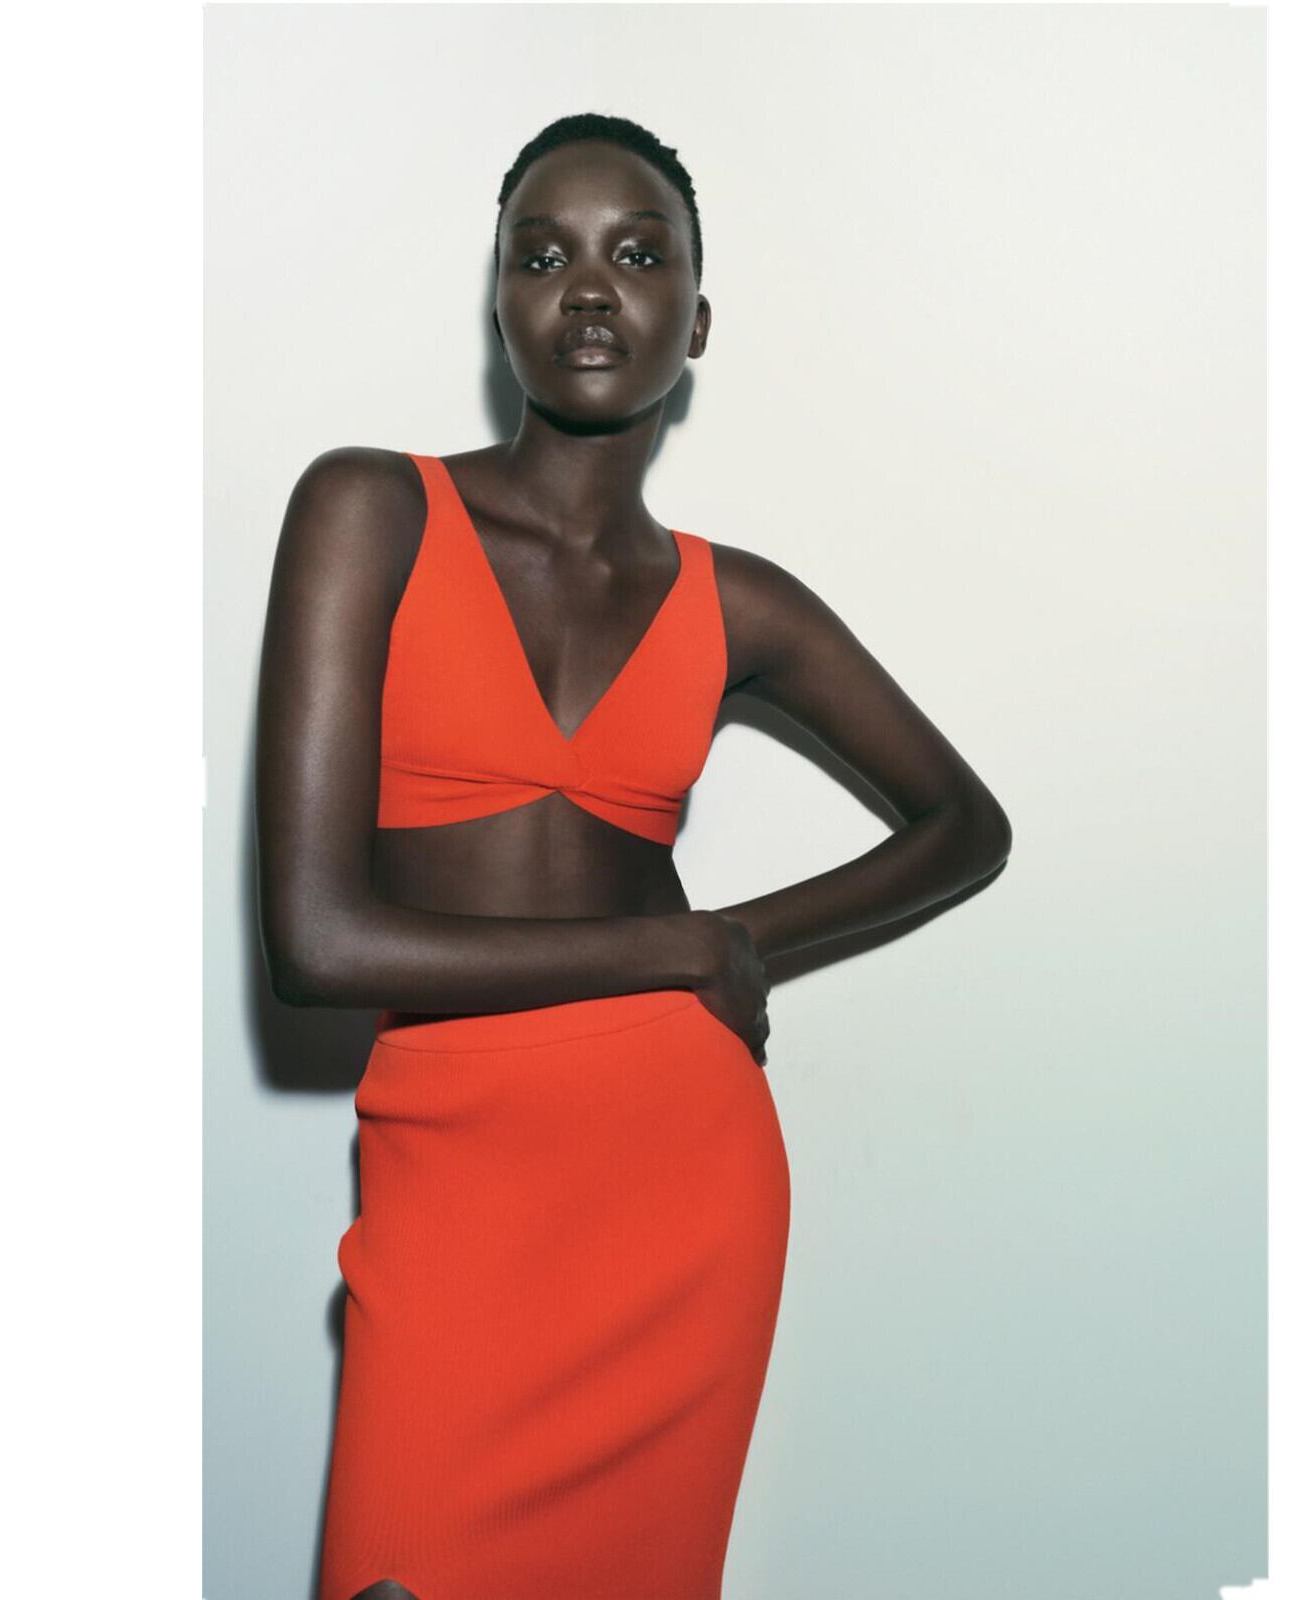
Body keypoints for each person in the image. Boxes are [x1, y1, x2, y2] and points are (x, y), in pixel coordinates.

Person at [254, 111, 1012, 1600]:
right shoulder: (370, 509)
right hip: (454, 1160)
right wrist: (682, 946)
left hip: (677, 1175)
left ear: (697, 321)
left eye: (638, 255)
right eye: (542, 257)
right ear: (499, 305)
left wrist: (738, 945)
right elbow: (319, 943)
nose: (590, 288)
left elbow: (965, 827)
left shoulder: (740, 604)